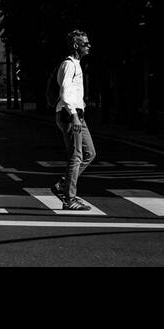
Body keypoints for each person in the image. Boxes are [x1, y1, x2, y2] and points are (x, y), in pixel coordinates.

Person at [50, 30, 96, 211]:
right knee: (76, 156)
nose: (89, 46)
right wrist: (75, 115)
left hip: (76, 114)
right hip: (70, 116)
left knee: (89, 153)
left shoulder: (76, 64)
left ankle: (63, 185)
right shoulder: (69, 65)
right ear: (76, 46)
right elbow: (64, 93)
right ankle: (69, 198)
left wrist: (81, 103)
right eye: (85, 43)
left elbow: (71, 92)